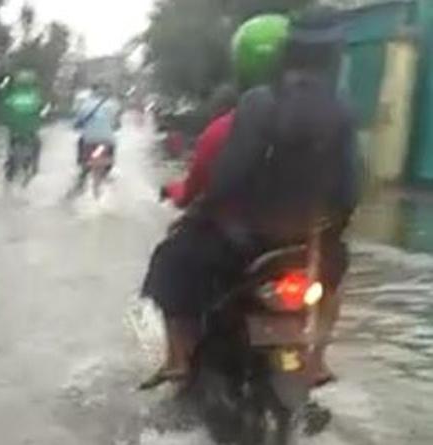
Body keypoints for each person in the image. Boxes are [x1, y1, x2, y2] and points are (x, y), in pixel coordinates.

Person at [141, 10, 357, 388]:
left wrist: (205, 212)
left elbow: (229, 176)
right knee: (335, 280)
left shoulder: (258, 103)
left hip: (246, 245)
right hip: (310, 247)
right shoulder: (343, 110)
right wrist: (327, 232)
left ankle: (178, 360)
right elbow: (350, 189)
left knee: (169, 262)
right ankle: (317, 361)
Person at [2, 70, 44, 179]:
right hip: (29, 128)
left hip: (15, 127)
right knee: (38, 144)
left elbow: (6, 108)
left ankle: (9, 162)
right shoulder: (35, 95)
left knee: (11, 142)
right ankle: (35, 166)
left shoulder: (13, 94)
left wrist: (7, 121)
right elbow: (41, 110)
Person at [74, 84, 121, 171]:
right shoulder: (113, 104)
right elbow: (117, 122)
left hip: (89, 139)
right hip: (107, 139)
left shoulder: (86, 105)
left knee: (81, 142)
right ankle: (108, 166)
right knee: (112, 144)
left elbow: (79, 119)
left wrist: (77, 125)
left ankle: (82, 165)